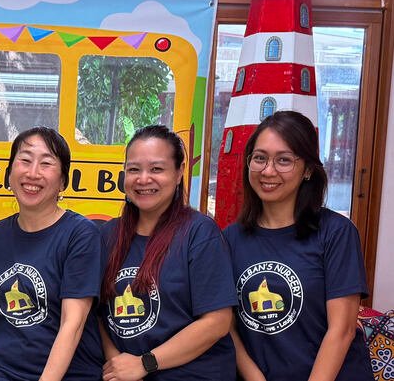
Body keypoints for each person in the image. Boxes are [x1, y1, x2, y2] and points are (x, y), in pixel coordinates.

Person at [224, 110, 373, 381]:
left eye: (284, 160)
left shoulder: (336, 233)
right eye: (260, 158)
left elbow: (342, 331)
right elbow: (226, 326)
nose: (268, 171)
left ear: (307, 170)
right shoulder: (229, 239)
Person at [100, 125, 235, 381]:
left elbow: (217, 321)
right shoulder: (107, 235)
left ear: (179, 172)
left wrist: (145, 364)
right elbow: (97, 315)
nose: (143, 179)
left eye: (156, 169)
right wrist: (116, 366)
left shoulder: (199, 233)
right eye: (134, 169)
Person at [0, 127, 103, 381]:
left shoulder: (80, 234)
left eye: (46, 163)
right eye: (25, 160)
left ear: (63, 182)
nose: (33, 173)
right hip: (1, 373)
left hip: (69, 375)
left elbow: (73, 323)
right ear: (9, 173)